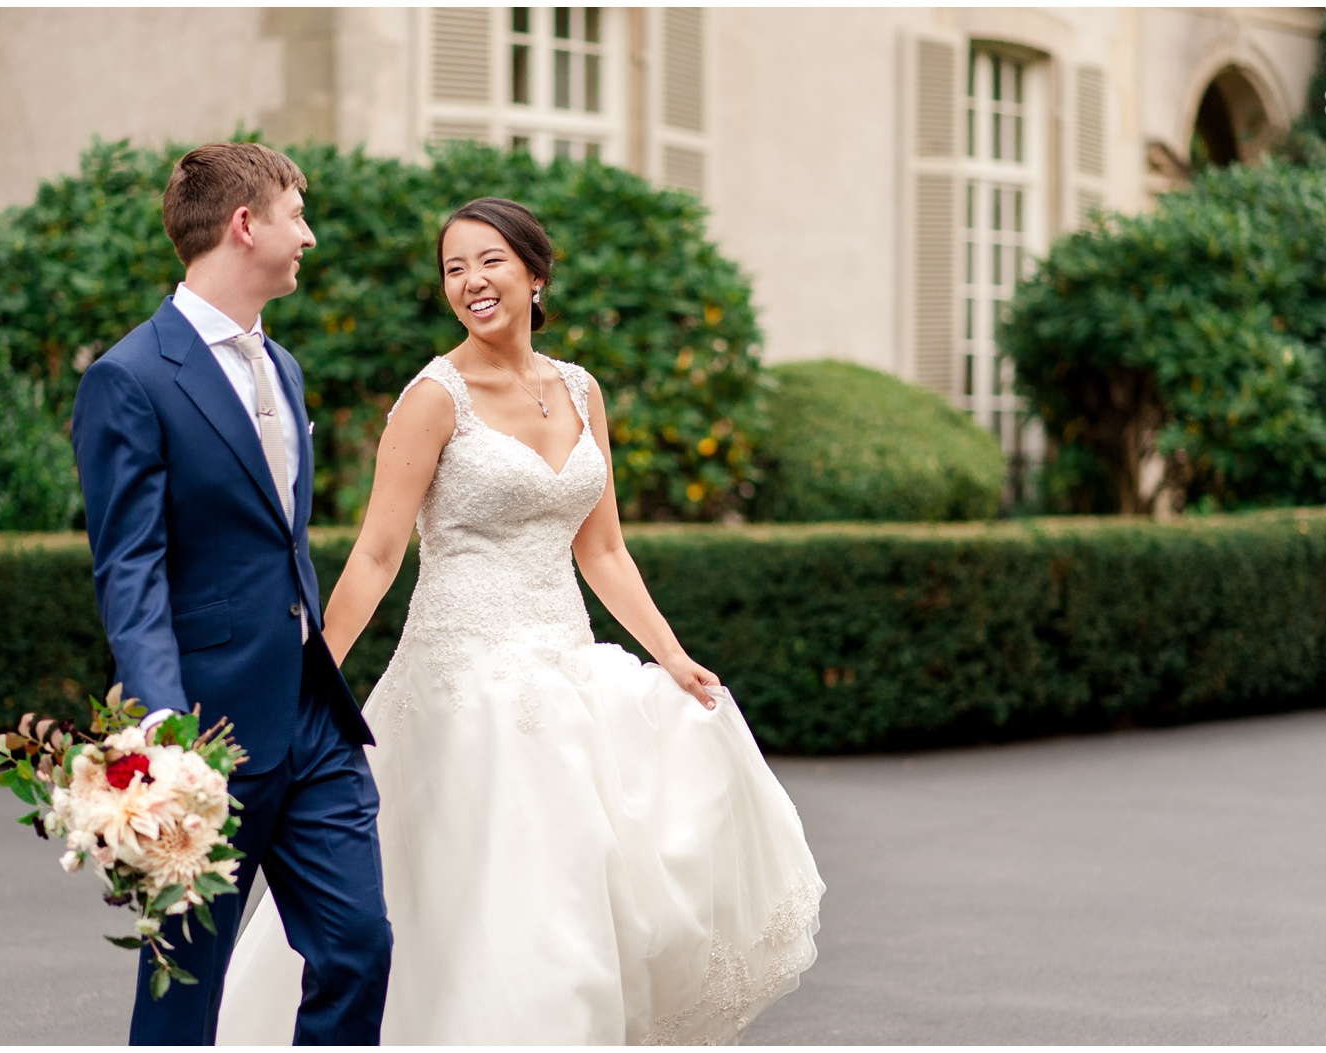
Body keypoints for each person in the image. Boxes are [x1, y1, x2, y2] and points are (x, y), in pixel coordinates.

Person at [217, 198, 822, 1045]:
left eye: (490, 260)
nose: (471, 281)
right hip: (464, 689)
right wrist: (313, 676)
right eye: (454, 268)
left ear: (536, 274)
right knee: (484, 904)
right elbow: (378, 555)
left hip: (571, 672)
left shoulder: (580, 389)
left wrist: (673, 655)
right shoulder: (434, 397)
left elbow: (602, 550)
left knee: (581, 899)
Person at [71, 142, 391, 1045]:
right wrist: (167, 743)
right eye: (297, 214)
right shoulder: (129, 378)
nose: (310, 236)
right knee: (184, 994)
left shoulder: (281, 367)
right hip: (207, 735)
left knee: (357, 946)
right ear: (245, 224)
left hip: (313, 717)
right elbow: (128, 569)